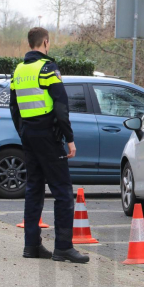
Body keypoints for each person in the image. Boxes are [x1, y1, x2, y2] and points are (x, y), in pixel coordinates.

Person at [10, 27, 88, 263]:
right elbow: (61, 105)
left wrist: (22, 132)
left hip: (29, 135)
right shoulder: (47, 68)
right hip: (48, 136)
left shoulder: (19, 70)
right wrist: (69, 139)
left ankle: (32, 245)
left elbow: (14, 107)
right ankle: (63, 247)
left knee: (34, 189)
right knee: (63, 191)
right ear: (45, 42)